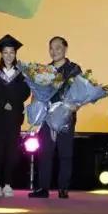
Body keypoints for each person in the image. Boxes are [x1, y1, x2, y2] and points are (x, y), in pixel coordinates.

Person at [28, 36, 82, 199]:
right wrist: (35, 109)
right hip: (47, 116)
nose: (54, 51)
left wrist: (73, 107)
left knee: (65, 153)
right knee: (45, 152)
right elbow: (37, 92)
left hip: (65, 115)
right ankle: (43, 188)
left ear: (65, 49)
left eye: (58, 47)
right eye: (51, 48)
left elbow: (80, 92)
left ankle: (63, 188)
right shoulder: (45, 70)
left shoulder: (73, 69)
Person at [0, 34, 31, 198]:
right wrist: (3, 103)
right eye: (5, 52)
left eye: (12, 52)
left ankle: (8, 183)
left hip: (13, 118)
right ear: (1, 54)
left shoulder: (22, 75)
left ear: (15, 54)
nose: (9, 56)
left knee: (11, 151)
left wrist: (12, 102)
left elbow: (25, 93)